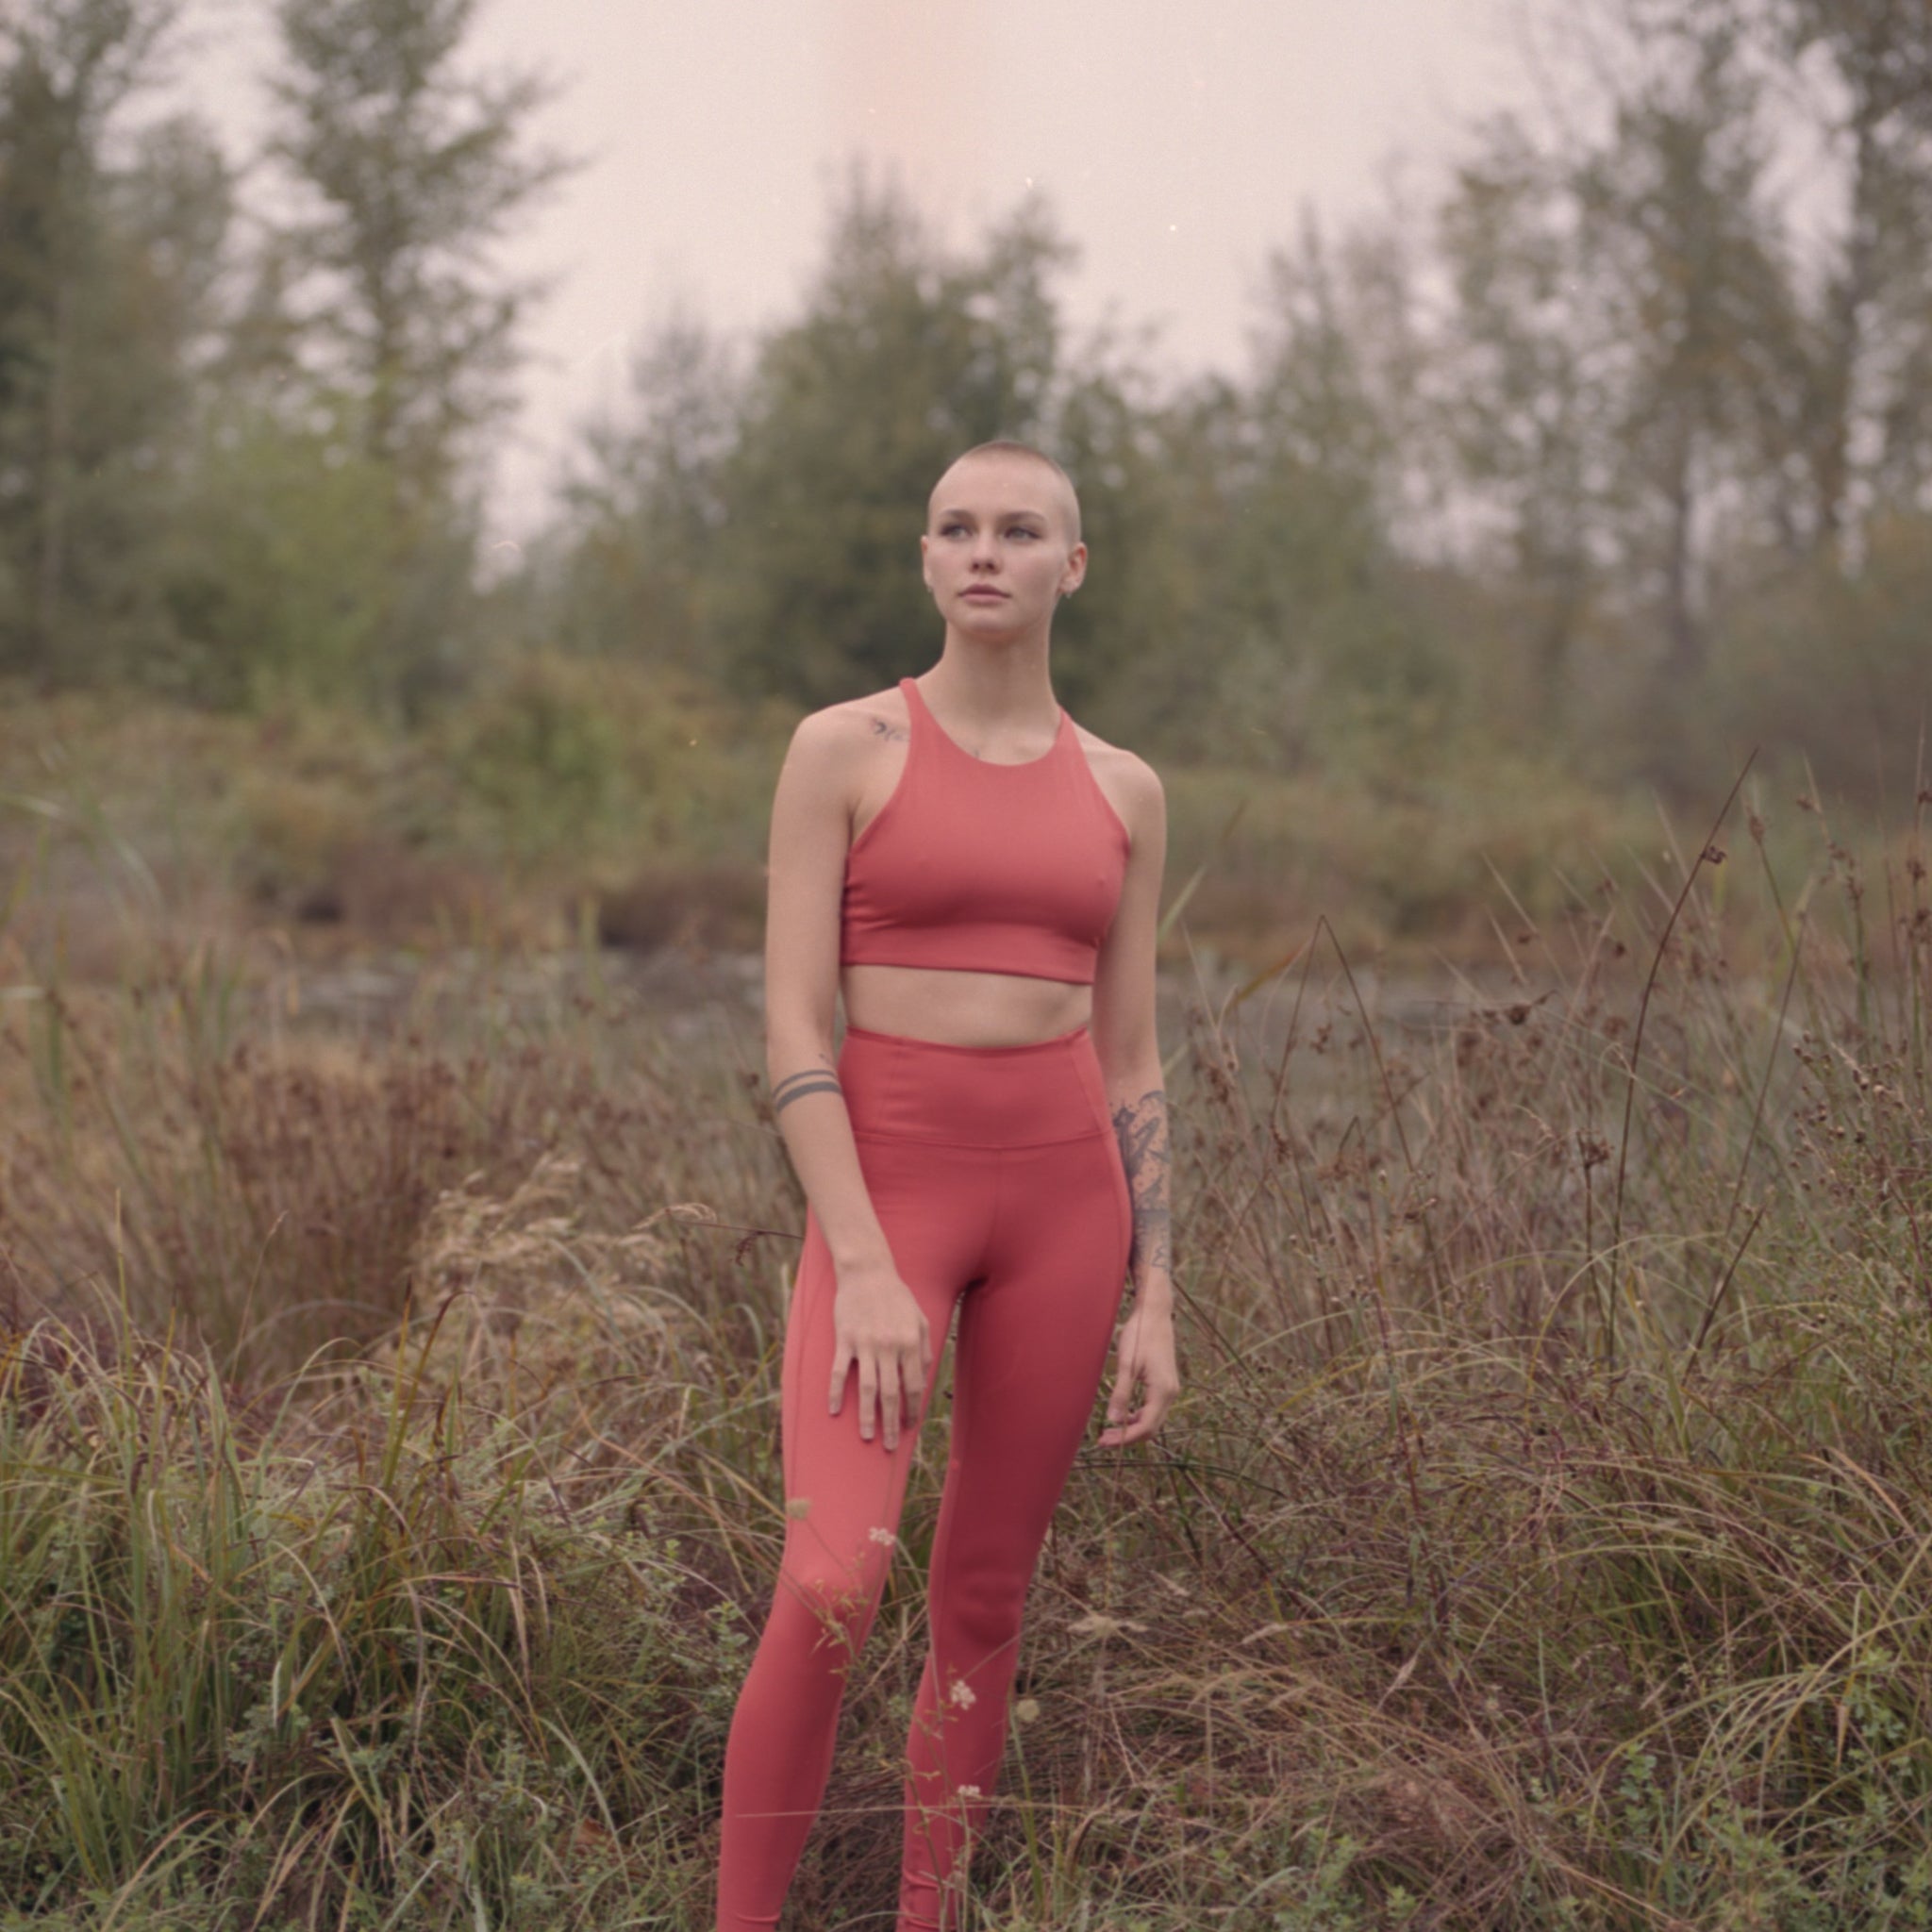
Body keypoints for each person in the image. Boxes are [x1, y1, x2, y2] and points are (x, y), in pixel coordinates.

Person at [716, 440, 1179, 1932]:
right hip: (889, 1201)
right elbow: (795, 1031)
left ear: (1071, 567)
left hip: (1065, 1215)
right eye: (958, 527)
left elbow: (1133, 1057)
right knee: (834, 1581)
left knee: (982, 1598)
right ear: (925, 558)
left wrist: (1156, 1290)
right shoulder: (843, 748)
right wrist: (857, 1257)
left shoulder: (1125, 788)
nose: (987, 550)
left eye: (1020, 529)